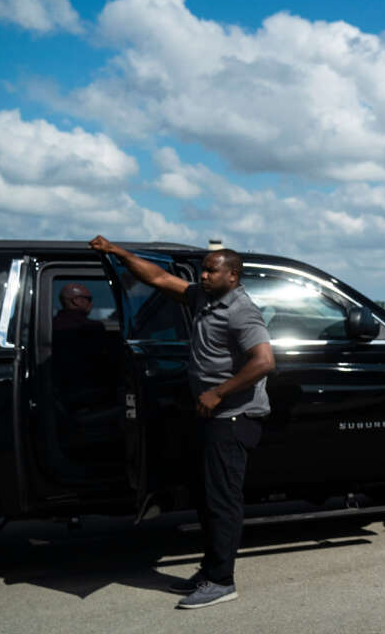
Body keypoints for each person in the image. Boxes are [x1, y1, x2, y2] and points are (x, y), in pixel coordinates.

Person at [88, 236, 275, 611]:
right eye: (203, 269)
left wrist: (218, 392)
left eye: (210, 270)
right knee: (207, 499)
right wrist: (119, 253)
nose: (202, 275)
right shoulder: (203, 297)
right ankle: (210, 571)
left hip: (232, 416)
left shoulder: (241, 311)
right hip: (212, 415)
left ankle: (222, 581)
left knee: (222, 502)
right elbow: (157, 278)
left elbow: (264, 361)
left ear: (233, 277)